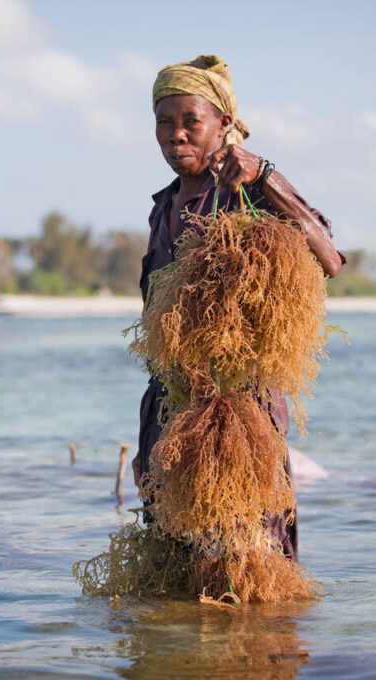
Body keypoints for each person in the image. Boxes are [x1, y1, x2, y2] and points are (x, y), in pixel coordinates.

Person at [130, 55, 342, 563]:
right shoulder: (163, 206)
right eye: (165, 122)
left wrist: (266, 175)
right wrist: (149, 443)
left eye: (190, 122)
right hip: (171, 412)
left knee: (248, 558)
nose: (176, 136)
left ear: (223, 126)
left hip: (241, 415)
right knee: (176, 559)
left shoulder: (248, 190)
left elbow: (329, 258)